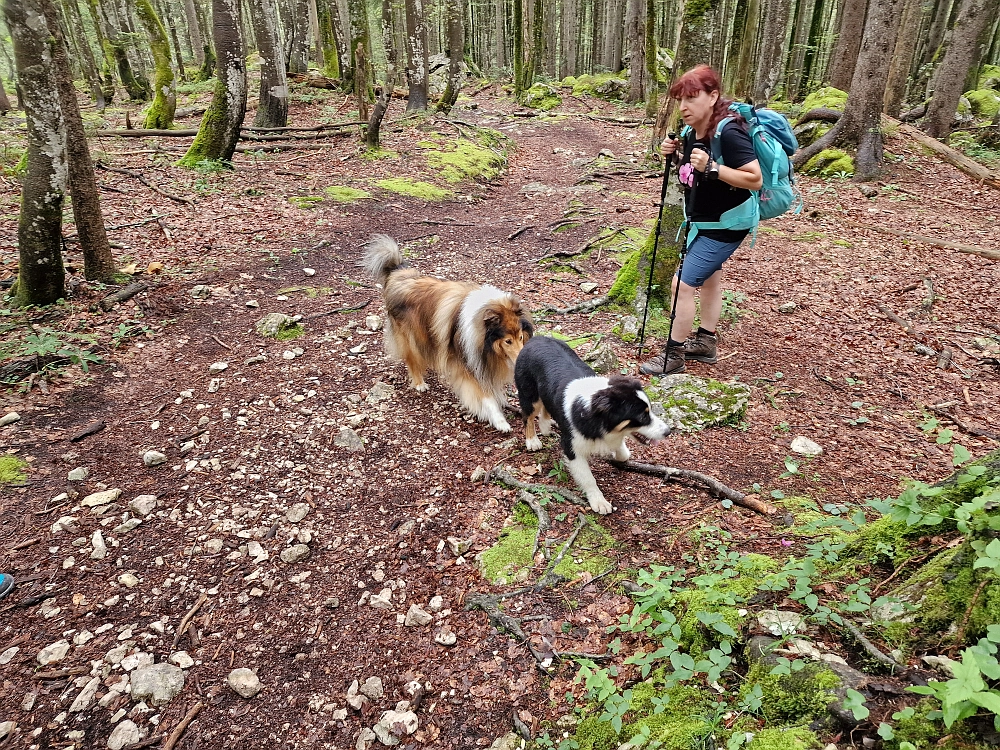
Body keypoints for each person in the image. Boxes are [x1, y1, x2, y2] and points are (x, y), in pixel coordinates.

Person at [640, 64, 762, 376]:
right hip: (704, 222)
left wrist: (713, 167)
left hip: (728, 224)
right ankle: (706, 342)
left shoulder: (730, 131)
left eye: (692, 98)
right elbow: (694, 173)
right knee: (709, 281)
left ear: (713, 96)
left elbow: (754, 178)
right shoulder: (691, 133)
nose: (683, 107)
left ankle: (674, 353)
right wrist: (676, 157)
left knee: (681, 285)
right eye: (680, 100)